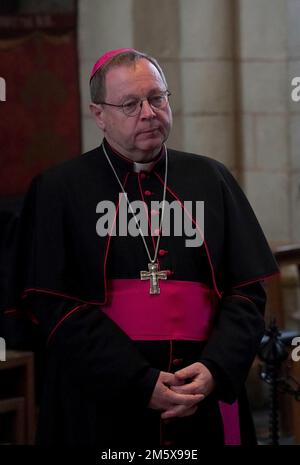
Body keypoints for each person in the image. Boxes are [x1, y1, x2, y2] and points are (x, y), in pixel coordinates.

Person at [7, 48, 278, 446]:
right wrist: (138, 380)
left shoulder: (211, 178)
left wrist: (215, 368)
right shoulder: (59, 190)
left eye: (157, 98)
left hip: (200, 398)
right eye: (131, 104)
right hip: (100, 402)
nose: (149, 113)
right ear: (99, 114)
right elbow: (52, 306)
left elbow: (247, 292)